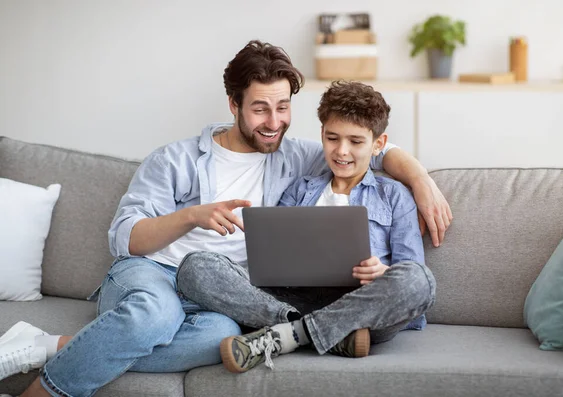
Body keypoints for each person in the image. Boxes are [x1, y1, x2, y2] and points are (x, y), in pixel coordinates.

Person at [0, 40, 451, 397]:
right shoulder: (175, 160)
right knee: (161, 307)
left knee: (214, 343)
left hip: (235, 302)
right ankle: (47, 380)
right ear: (233, 104)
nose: (274, 122)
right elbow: (125, 238)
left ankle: (291, 332)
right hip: (158, 271)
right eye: (260, 109)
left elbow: (368, 147)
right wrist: (191, 216)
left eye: (282, 107)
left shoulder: (297, 157)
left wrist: (421, 179)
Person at [176, 80, 434, 373]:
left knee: (420, 281)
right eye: (332, 138)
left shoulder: (395, 196)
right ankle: (320, 333)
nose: (342, 151)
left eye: (356, 142)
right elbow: (272, 255)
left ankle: (289, 335)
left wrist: (383, 273)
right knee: (194, 267)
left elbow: (411, 269)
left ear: (379, 144)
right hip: (295, 300)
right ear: (321, 134)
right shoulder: (301, 189)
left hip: (363, 309)